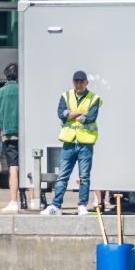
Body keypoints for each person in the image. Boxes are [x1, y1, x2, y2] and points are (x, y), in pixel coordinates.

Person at [41, 70, 101, 216]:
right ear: (73, 82)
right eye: (76, 82)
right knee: (62, 176)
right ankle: (56, 206)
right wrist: (80, 113)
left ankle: (82, 205)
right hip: (69, 143)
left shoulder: (94, 98)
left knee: (84, 177)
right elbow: (61, 114)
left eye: (81, 82)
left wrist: (71, 114)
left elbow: (90, 117)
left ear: (86, 82)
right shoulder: (66, 96)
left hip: (85, 143)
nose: (78, 84)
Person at [0, 62, 24, 212]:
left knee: (13, 167)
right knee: (31, 165)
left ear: (5, 76)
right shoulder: (24, 90)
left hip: (9, 135)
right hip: (26, 135)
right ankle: (34, 200)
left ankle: (13, 201)